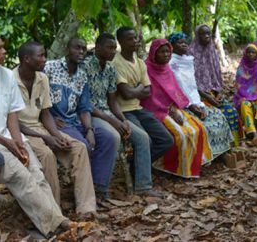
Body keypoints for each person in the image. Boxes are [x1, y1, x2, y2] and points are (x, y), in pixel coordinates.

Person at [0, 35, 75, 237]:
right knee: (22, 178)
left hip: (8, 137)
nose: (4, 51)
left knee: (37, 173)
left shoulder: (5, 76)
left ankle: (56, 222)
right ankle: (57, 225)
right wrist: (7, 142)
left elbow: (12, 113)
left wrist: (18, 141)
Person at [14, 41, 96, 216]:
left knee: (79, 148)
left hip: (40, 128)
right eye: (41, 56)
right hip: (20, 132)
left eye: (45, 55)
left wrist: (57, 135)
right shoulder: (10, 80)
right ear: (27, 59)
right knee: (47, 154)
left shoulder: (42, 78)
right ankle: (53, 211)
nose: (45, 59)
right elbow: (12, 121)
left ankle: (86, 208)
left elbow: (45, 114)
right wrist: (47, 139)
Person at [83, 33, 159, 196]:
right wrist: (113, 120)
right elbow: (86, 103)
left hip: (107, 112)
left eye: (114, 48)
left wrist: (123, 120)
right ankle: (100, 188)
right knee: (114, 137)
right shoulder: (86, 67)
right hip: (91, 114)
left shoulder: (110, 68)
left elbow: (112, 101)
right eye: (109, 48)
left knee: (142, 137)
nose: (113, 52)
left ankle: (143, 186)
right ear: (98, 48)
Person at [44, 37, 116, 202]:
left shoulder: (82, 76)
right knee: (83, 146)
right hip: (56, 123)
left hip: (74, 122)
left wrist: (89, 129)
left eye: (84, 49)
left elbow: (84, 108)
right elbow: (37, 96)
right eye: (77, 48)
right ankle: (84, 194)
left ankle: (98, 188)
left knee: (107, 138)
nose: (81, 52)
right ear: (67, 49)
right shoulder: (50, 68)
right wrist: (49, 117)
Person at [140, 38, 212, 178]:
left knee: (198, 128)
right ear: (154, 53)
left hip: (170, 108)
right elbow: (149, 99)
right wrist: (170, 112)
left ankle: (194, 165)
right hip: (155, 111)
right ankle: (175, 169)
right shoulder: (146, 69)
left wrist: (175, 109)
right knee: (181, 134)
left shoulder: (167, 69)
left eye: (168, 52)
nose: (166, 55)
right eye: (162, 52)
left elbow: (174, 92)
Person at [113, 27, 173, 164]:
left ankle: (136, 166)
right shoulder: (116, 63)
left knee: (166, 140)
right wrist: (139, 88)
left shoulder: (140, 62)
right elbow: (126, 94)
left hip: (138, 109)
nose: (134, 41)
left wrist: (136, 90)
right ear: (120, 41)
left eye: (135, 38)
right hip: (123, 111)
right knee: (145, 139)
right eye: (130, 39)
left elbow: (148, 92)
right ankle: (143, 181)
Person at [168, 32, 232, 157]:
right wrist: (190, 104)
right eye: (179, 43)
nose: (184, 45)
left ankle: (220, 152)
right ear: (172, 46)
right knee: (203, 126)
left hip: (196, 99)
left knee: (219, 117)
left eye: (185, 42)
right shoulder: (170, 63)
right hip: (182, 103)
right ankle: (207, 155)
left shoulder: (188, 61)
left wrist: (206, 97)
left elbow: (192, 84)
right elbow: (176, 88)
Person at [188, 24, 241, 146]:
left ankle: (232, 146)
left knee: (231, 112)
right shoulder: (190, 54)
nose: (206, 36)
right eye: (203, 34)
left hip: (212, 94)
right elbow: (189, 82)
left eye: (208, 34)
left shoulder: (212, 51)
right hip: (197, 96)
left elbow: (216, 77)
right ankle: (219, 148)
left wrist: (218, 94)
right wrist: (208, 97)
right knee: (215, 117)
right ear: (197, 36)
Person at [233, 43, 257, 146]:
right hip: (243, 95)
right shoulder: (241, 67)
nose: (250, 54)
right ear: (245, 53)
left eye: (253, 52)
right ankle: (254, 134)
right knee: (244, 105)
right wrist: (245, 96)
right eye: (248, 52)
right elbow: (239, 85)